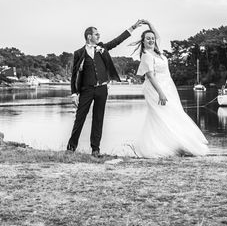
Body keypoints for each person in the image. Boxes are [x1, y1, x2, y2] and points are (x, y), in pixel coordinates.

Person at [66, 20, 143, 157]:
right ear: (89, 36)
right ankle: (71, 148)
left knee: (98, 119)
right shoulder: (79, 53)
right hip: (86, 90)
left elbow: (117, 41)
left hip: (102, 89)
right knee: (80, 118)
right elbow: (74, 75)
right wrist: (74, 94)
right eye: (96, 34)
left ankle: (95, 150)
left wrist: (133, 27)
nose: (98, 36)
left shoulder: (102, 48)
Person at [133, 21, 209, 158]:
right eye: (148, 38)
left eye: (152, 38)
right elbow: (150, 76)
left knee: (174, 114)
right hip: (156, 89)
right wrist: (161, 93)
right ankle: (161, 146)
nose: (151, 40)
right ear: (143, 41)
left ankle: (176, 144)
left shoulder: (157, 52)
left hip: (168, 86)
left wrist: (149, 24)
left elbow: (157, 36)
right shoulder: (146, 55)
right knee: (162, 116)